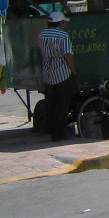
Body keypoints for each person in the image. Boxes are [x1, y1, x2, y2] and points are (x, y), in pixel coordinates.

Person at [39, 11, 77, 142]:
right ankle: (59, 133)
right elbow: (67, 54)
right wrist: (73, 71)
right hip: (62, 73)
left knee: (51, 103)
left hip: (48, 72)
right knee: (62, 104)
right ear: (60, 23)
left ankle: (51, 130)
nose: (64, 24)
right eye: (63, 22)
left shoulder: (42, 34)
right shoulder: (63, 36)